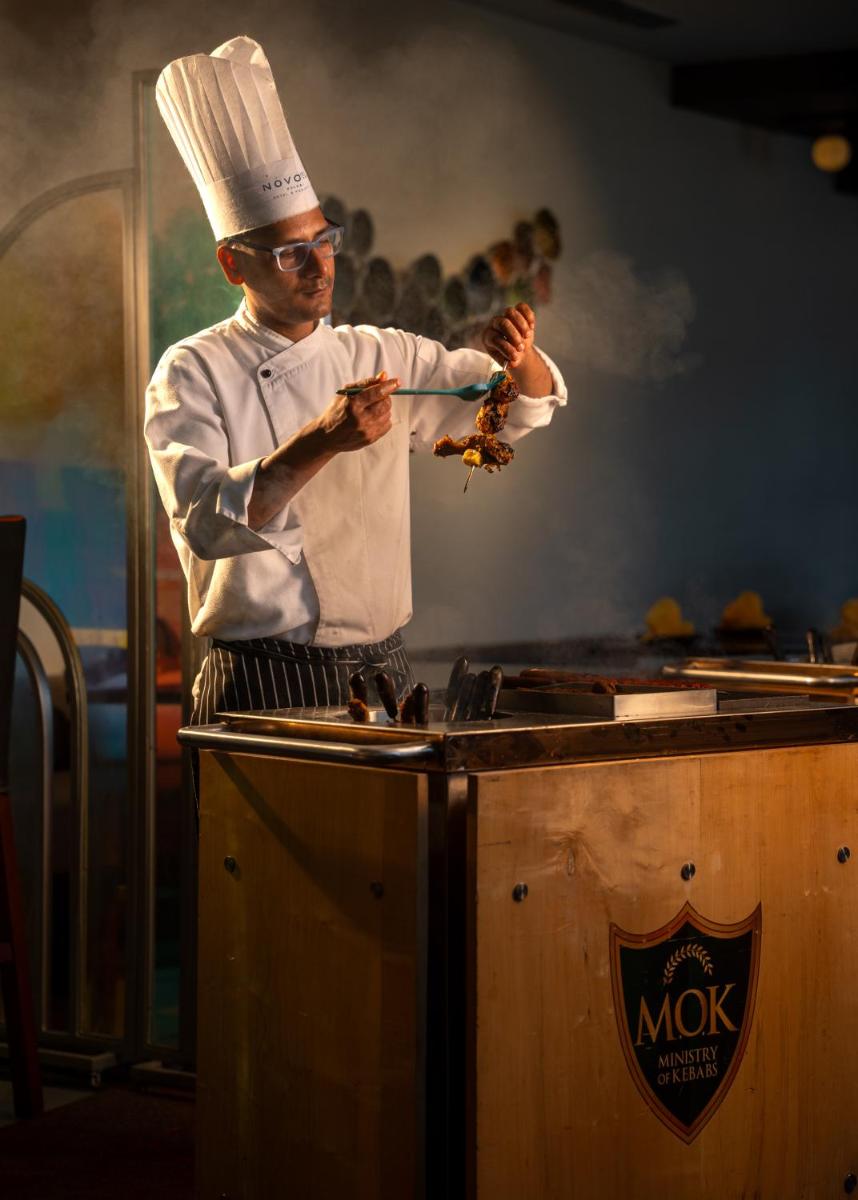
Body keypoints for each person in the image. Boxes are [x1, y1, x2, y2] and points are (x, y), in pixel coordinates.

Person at [145, 35, 566, 731]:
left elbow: (506, 408)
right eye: (290, 253)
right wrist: (321, 440)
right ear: (232, 264)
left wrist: (517, 358)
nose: (319, 268)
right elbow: (204, 524)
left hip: (385, 674)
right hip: (260, 680)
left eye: (325, 241)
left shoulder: (379, 352)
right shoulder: (192, 369)